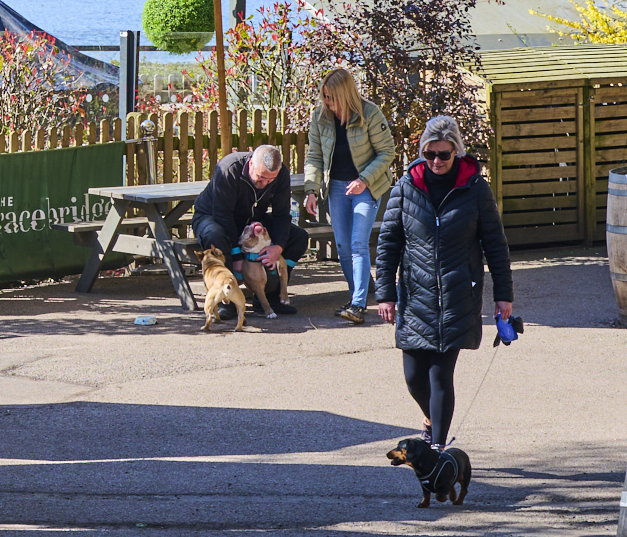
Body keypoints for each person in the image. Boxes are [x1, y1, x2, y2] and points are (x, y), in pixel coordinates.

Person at [372, 114, 513, 449]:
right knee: (413, 377)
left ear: (456, 153)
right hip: (416, 296)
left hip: (457, 296)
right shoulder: (407, 186)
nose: (436, 161)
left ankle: (437, 449)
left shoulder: (475, 188)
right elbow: (389, 242)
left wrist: (504, 295)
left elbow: (495, 243)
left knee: (439, 375)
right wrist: (385, 295)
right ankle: (431, 419)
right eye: (430, 154)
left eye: (444, 154)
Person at [302, 68, 398, 325]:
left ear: (344, 95)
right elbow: (314, 156)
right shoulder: (320, 116)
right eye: (324, 96)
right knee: (343, 246)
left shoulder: (369, 113)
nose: (327, 102)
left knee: (358, 243)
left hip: (366, 187)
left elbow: (387, 152)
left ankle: (357, 304)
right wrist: (310, 190)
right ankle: (359, 294)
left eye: (331, 97)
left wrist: (363, 180)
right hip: (336, 187)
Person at [193, 143, 303, 315]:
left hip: (252, 219)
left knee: (299, 237)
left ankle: (270, 296)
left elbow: (282, 215)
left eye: (270, 180)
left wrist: (278, 247)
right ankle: (225, 300)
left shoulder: (281, 173)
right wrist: (236, 255)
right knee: (216, 236)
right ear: (251, 164)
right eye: (260, 177)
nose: (264, 183)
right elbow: (223, 215)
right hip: (212, 215)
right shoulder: (228, 168)